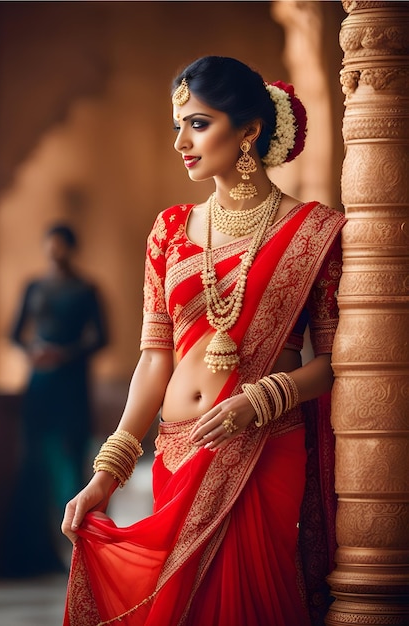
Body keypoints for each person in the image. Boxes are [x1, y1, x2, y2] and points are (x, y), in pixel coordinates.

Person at [61, 56, 346, 626]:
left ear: (249, 130)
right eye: (177, 126)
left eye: (198, 123)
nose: (181, 142)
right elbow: (152, 361)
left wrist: (263, 398)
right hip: (177, 450)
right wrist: (108, 472)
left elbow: (339, 363)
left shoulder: (313, 232)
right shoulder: (169, 229)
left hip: (263, 448)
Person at [1, 223, 108, 577]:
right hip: (40, 382)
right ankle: (33, 550)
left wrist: (66, 354)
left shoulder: (87, 289)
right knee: (33, 462)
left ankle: (81, 548)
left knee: (74, 462)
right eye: (51, 245)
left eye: (61, 245)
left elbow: (102, 338)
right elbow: (15, 333)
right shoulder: (34, 286)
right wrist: (35, 351)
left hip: (72, 381)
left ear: (71, 248)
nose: (54, 251)